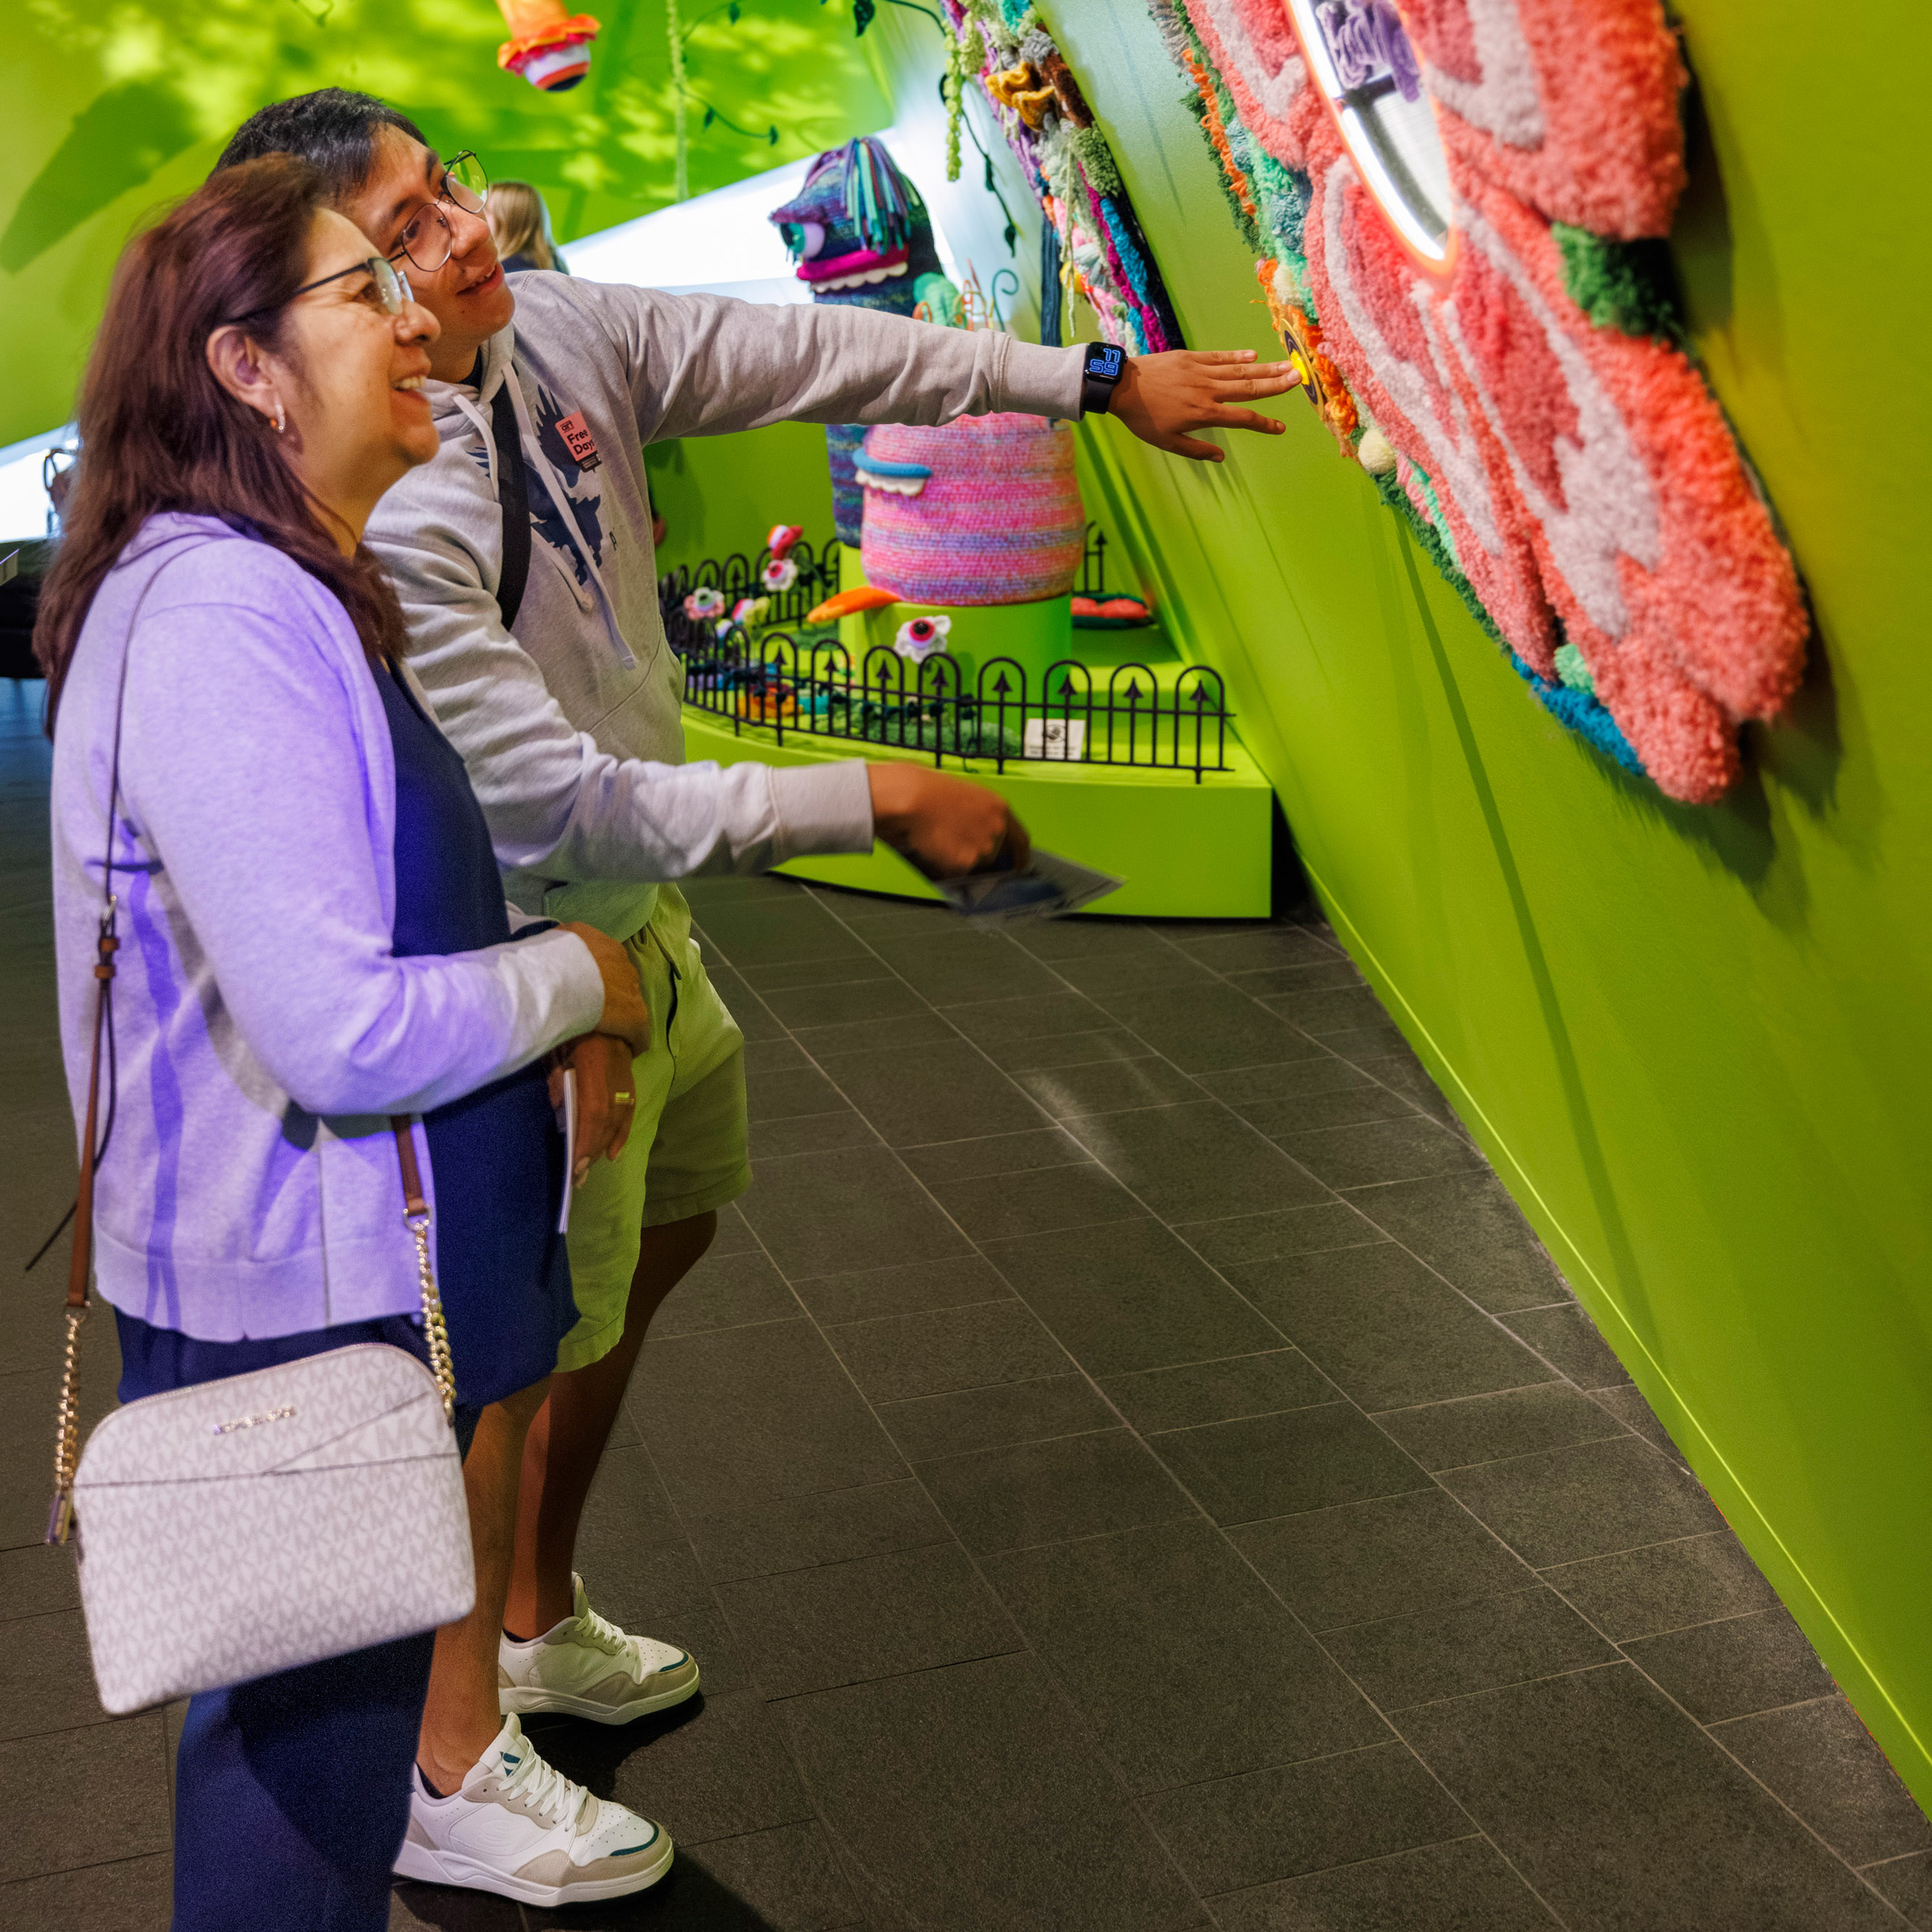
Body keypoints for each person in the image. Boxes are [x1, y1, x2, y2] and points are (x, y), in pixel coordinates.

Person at [215, 88, 1298, 1907]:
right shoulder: (387, 490)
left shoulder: (549, 325)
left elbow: (806, 348)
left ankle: (536, 1618)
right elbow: (546, 798)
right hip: (521, 958)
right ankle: (446, 1752)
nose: (457, 240)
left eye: (443, 193)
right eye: (391, 241)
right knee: (497, 1348)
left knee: (675, 1227)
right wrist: (867, 797)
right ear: (311, 305)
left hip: (636, 924)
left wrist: (1097, 383)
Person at [36, 156, 668, 1928]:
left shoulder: (265, 583)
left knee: (318, 1737)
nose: (415, 311)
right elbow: (337, 1027)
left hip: (313, 1273)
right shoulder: (228, 615)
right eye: (358, 288)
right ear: (245, 367)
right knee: (302, 1770)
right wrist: (582, 978)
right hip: (282, 1299)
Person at [487, 178, 566, 273]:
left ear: (508, 220)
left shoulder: (506, 273)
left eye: (485, 210)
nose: (478, 217)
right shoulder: (555, 264)